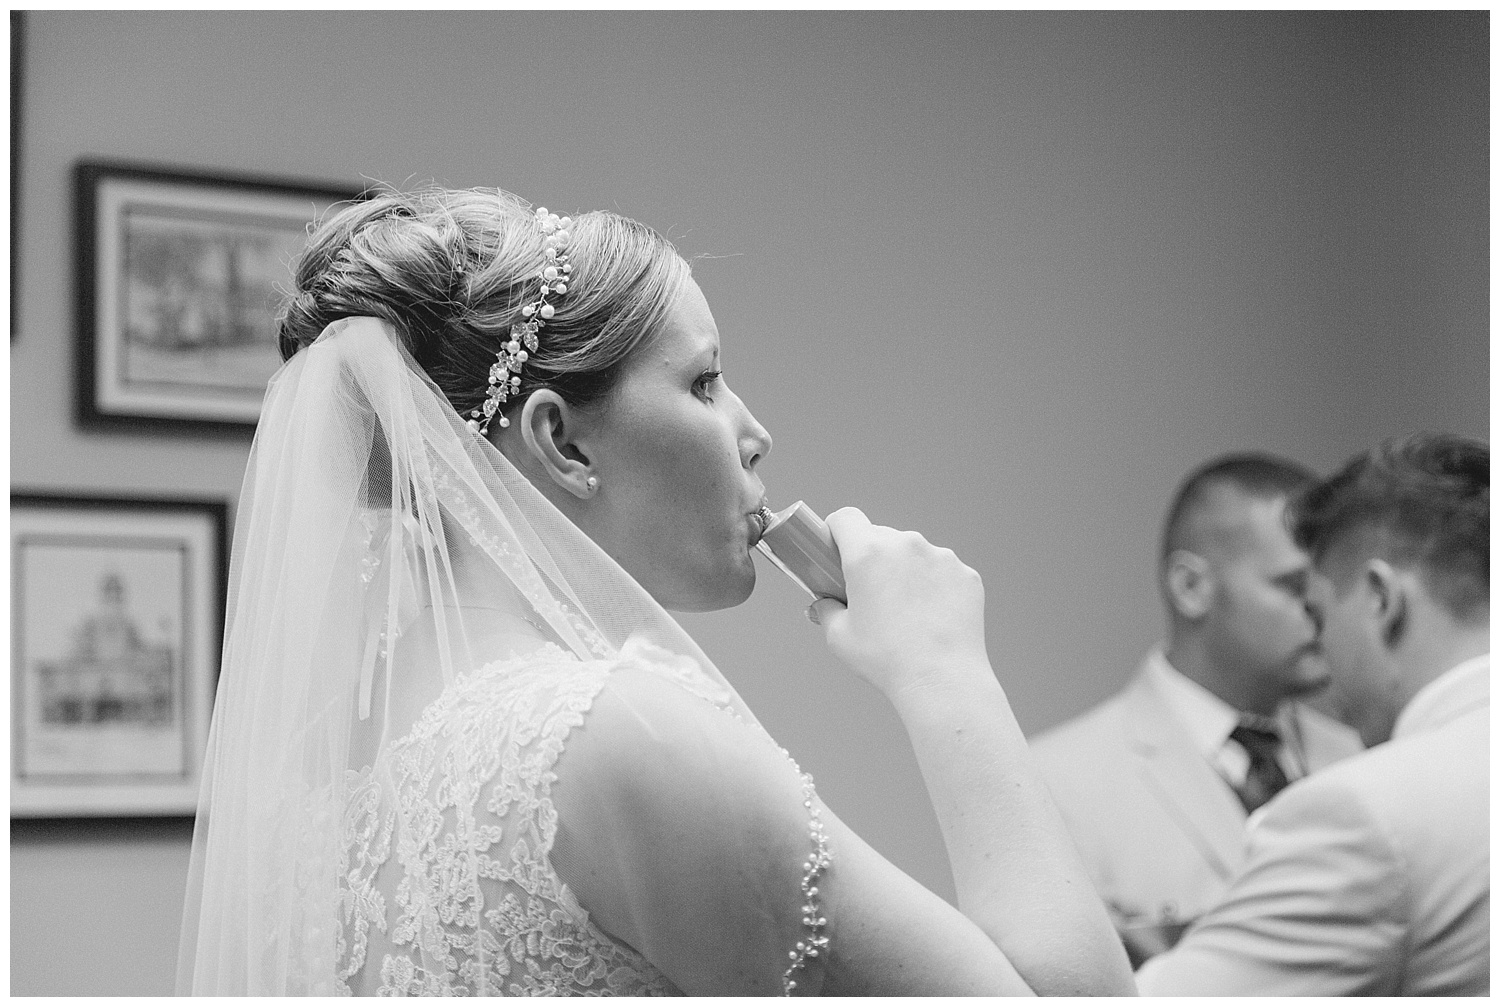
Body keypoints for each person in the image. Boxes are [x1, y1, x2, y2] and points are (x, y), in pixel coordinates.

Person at [175, 187, 1135, 996]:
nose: (755, 430)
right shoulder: (607, 731)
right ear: (563, 442)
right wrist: (945, 670)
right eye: (706, 381)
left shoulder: (327, 764)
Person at [1138, 434, 1488, 996]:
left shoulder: (1367, 808)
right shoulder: (1059, 776)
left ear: (1380, 598)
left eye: (1319, 610)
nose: (1317, 641)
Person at [1028, 454, 1362, 963]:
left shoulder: (1364, 757)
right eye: (1293, 587)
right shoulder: (1052, 783)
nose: (1321, 611)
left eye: (1327, 588)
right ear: (1191, 587)